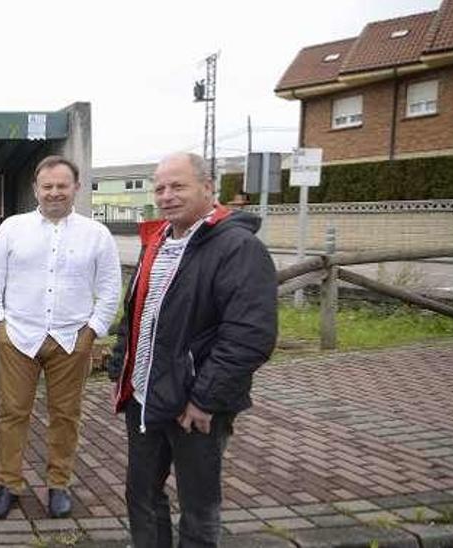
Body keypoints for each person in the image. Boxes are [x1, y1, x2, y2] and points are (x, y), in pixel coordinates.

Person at [108, 152, 277, 547]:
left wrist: (205, 398)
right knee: (142, 496)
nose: (167, 196)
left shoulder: (237, 247)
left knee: (198, 508)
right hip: (145, 397)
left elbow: (249, 335)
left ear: (207, 187)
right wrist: (121, 371)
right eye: (160, 187)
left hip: (195, 406)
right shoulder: (158, 241)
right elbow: (135, 316)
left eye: (178, 186)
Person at [0, 156, 121, 519]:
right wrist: (0, 329)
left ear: (76, 187)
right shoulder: (12, 228)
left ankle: (58, 483)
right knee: (13, 413)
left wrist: (92, 332)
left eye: (62, 185)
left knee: (66, 415)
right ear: (36, 189)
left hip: (72, 340)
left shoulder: (97, 235)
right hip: (18, 337)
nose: (55, 192)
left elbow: (109, 289)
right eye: (48, 186)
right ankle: (8, 483)